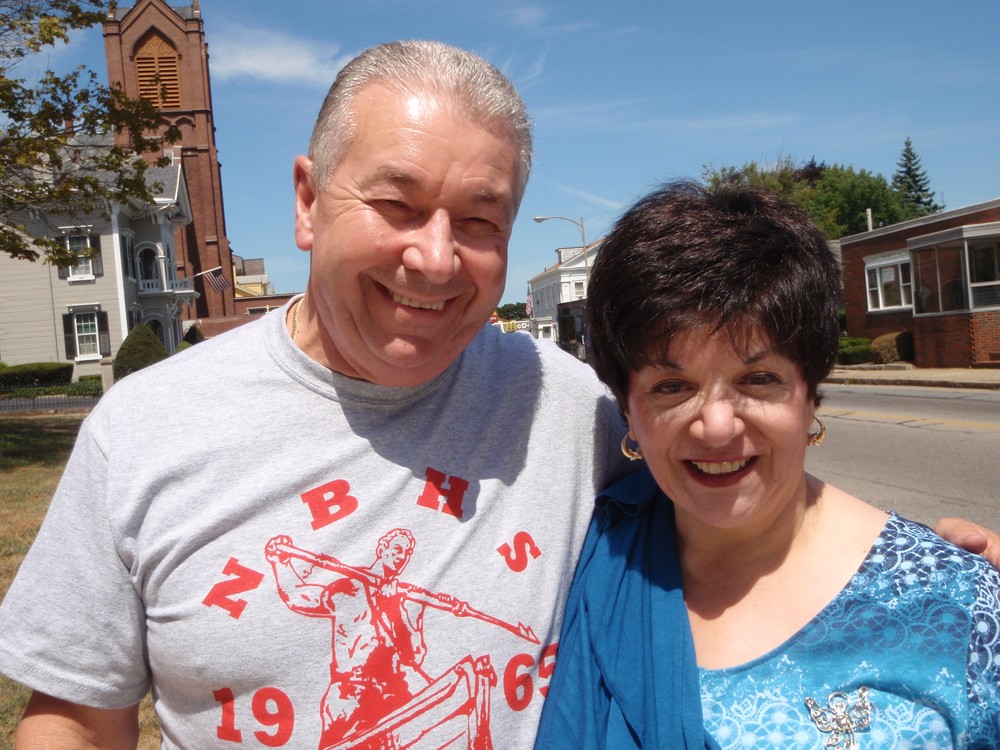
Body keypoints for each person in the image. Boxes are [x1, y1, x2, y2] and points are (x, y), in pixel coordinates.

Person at [0, 41, 996, 750]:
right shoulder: (143, 430)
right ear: (307, 200)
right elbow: (73, 717)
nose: (434, 259)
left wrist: (926, 571)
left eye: (479, 220)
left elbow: (736, 474)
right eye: (395, 204)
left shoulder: (570, 410)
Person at [533, 181, 1000, 749]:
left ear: (810, 396)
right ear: (628, 412)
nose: (717, 426)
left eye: (759, 379)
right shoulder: (585, 565)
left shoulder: (955, 603)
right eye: (671, 386)